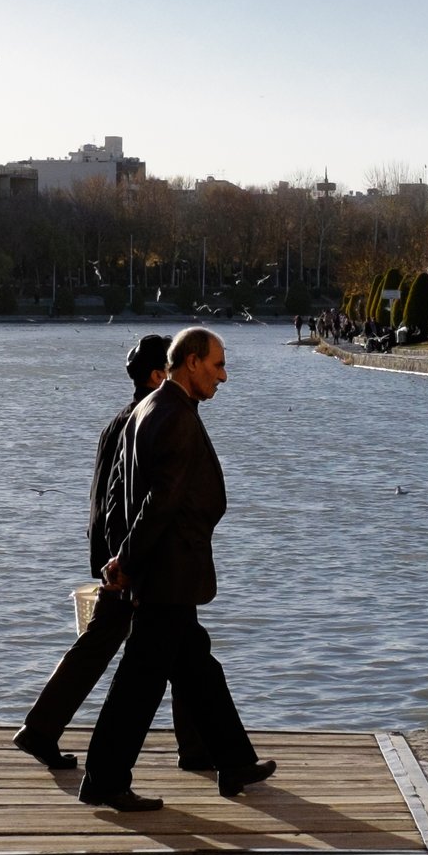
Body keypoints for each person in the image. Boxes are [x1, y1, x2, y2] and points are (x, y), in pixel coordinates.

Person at [80, 327, 275, 811]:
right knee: (139, 681)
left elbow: (120, 496)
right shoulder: (174, 416)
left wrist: (120, 555)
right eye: (217, 365)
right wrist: (126, 559)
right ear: (191, 362)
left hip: (165, 568)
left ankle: (233, 760)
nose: (223, 376)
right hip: (168, 569)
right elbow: (159, 503)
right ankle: (104, 779)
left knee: (196, 665)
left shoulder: (150, 408)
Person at [12, 334, 210, 772]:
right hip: (138, 561)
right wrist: (126, 561)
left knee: (176, 644)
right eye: (175, 368)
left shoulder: (122, 420)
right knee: (163, 643)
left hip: (126, 555)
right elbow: (128, 499)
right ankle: (47, 731)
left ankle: (196, 745)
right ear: (158, 375)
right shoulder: (151, 418)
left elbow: (103, 497)